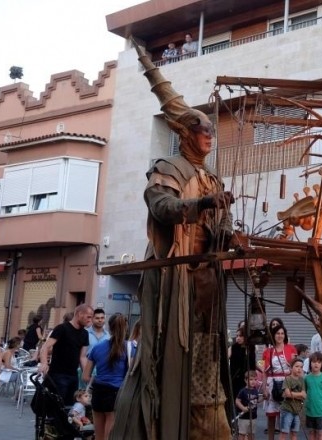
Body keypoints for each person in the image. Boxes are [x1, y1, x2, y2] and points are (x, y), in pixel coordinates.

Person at [112, 45, 236, 440]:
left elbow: (222, 223)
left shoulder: (213, 178)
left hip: (206, 281)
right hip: (175, 281)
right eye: (204, 131)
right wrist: (198, 204)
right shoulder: (168, 168)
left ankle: (206, 422)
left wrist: (230, 233)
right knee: (171, 354)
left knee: (207, 352)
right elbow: (162, 206)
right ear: (185, 133)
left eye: (212, 132)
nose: (210, 137)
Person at [83, 313, 129, 440]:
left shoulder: (97, 348)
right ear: (126, 328)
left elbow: (85, 376)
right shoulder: (129, 348)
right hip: (116, 391)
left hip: (98, 390)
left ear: (109, 327)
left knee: (99, 434)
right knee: (110, 434)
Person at [39, 304, 92, 405]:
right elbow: (45, 347)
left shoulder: (85, 334)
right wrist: (44, 363)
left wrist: (86, 375)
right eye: (88, 317)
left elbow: (82, 357)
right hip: (58, 374)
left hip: (73, 376)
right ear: (80, 314)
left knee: (70, 407)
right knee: (57, 407)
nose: (90, 320)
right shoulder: (62, 328)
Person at [262, 324, 297, 440]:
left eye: (282, 333)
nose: (280, 336)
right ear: (273, 335)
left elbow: (296, 369)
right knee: (271, 417)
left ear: (285, 335)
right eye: (277, 333)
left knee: (287, 416)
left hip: (287, 383)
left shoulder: (291, 349)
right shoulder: (267, 351)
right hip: (272, 383)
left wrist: (296, 386)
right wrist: (264, 389)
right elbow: (264, 372)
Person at [304, 352, 322, 440]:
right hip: (310, 411)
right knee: (311, 433)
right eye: (314, 362)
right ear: (310, 363)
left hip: (321, 411)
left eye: (319, 362)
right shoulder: (306, 378)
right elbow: (305, 393)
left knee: (321, 433)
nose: (316, 364)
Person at [280, 358, 306, 440]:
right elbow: (287, 394)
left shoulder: (302, 380)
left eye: (301, 367)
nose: (299, 369)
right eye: (297, 366)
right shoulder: (288, 379)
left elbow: (304, 395)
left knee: (294, 433)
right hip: (287, 410)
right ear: (291, 368)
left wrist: (293, 394)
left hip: (297, 411)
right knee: (284, 432)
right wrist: (299, 394)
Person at [235, 370, 262, 440]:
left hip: (253, 416)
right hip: (244, 417)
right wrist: (243, 408)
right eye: (251, 379)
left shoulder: (255, 390)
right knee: (242, 434)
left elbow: (256, 401)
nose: (253, 381)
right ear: (246, 380)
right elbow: (237, 401)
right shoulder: (243, 391)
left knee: (252, 434)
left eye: (255, 379)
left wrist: (263, 398)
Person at [230, 326, 249, 398]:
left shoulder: (249, 348)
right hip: (235, 378)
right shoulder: (233, 347)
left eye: (240, 336)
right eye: (237, 336)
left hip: (245, 378)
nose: (238, 338)